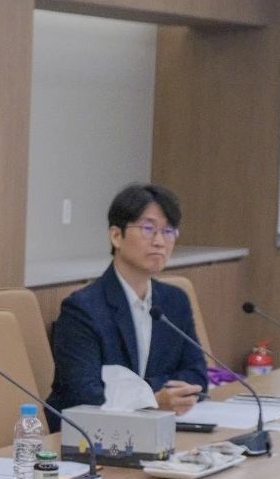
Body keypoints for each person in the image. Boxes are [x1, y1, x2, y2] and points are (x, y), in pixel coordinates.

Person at [47, 183, 207, 427]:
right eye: (148, 229)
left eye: (168, 231)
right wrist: (152, 400)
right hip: (89, 436)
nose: (159, 241)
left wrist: (141, 396)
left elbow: (197, 377)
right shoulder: (83, 309)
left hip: (156, 430)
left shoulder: (175, 301)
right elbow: (84, 393)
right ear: (116, 236)